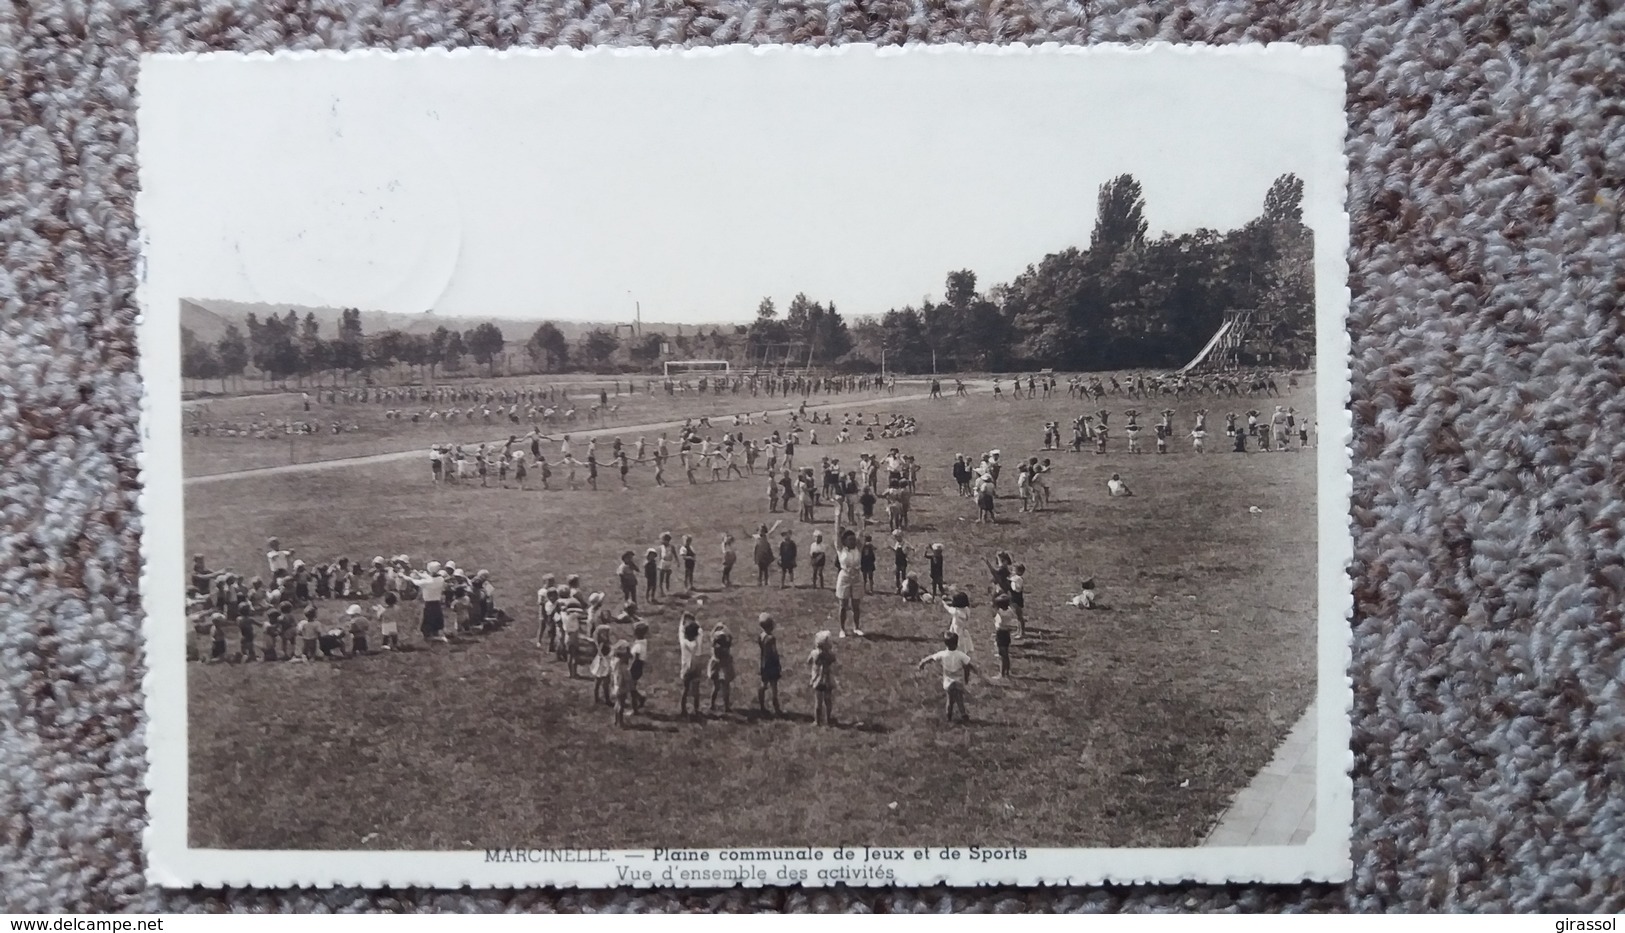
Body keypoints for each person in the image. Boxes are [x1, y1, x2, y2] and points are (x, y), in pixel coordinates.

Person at [918, 631, 976, 723]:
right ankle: (963, 714)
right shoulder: (960, 655)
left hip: (948, 682)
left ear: (945, 644)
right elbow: (969, 665)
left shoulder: (943, 654)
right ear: (957, 643)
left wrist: (922, 662)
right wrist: (972, 674)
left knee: (949, 700)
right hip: (958, 681)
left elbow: (931, 658)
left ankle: (949, 716)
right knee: (959, 699)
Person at [834, 529, 865, 638]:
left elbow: (861, 532)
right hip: (845, 577)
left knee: (856, 604)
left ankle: (856, 627)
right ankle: (842, 629)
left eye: (853, 539)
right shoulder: (840, 549)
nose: (852, 541)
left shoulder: (858, 549)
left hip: (857, 577)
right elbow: (836, 533)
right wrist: (838, 515)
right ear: (845, 541)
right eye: (850, 540)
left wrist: (860, 519)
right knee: (843, 604)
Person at [808, 631, 837, 727]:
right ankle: (828, 720)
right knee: (828, 700)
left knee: (818, 701)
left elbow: (808, 661)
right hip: (828, 679)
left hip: (818, 680)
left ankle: (817, 721)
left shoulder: (814, 653)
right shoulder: (830, 655)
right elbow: (834, 660)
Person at [678, 615, 705, 718]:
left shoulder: (684, 643)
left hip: (686, 668)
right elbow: (700, 631)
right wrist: (695, 619)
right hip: (697, 667)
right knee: (696, 689)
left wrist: (682, 620)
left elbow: (680, 632)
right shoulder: (698, 642)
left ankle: (683, 709)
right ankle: (696, 709)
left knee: (685, 689)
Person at [756, 614, 782, 715]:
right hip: (772, 664)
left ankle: (762, 705)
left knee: (764, 684)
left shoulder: (761, 637)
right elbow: (774, 652)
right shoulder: (771, 638)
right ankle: (776, 708)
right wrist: (778, 663)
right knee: (774, 687)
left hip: (764, 663)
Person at [708, 623, 735, 713]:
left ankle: (712, 704)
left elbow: (711, 636)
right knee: (726, 688)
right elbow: (730, 638)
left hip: (716, 669)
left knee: (716, 687)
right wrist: (725, 628)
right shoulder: (726, 649)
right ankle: (726, 706)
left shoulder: (715, 649)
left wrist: (715, 628)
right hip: (725, 669)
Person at [611, 641, 633, 727]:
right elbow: (626, 677)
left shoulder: (615, 662)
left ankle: (616, 720)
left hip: (616, 685)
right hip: (621, 686)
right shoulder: (622, 666)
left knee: (618, 703)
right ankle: (621, 722)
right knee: (621, 704)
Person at [992, 594, 1013, 678]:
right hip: (1007, 633)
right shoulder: (1010, 611)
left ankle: (1001, 673)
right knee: (1006, 654)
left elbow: (994, 613)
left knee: (1002, 655)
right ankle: (1007, 671)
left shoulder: (1000, 614)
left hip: (1001, 633)